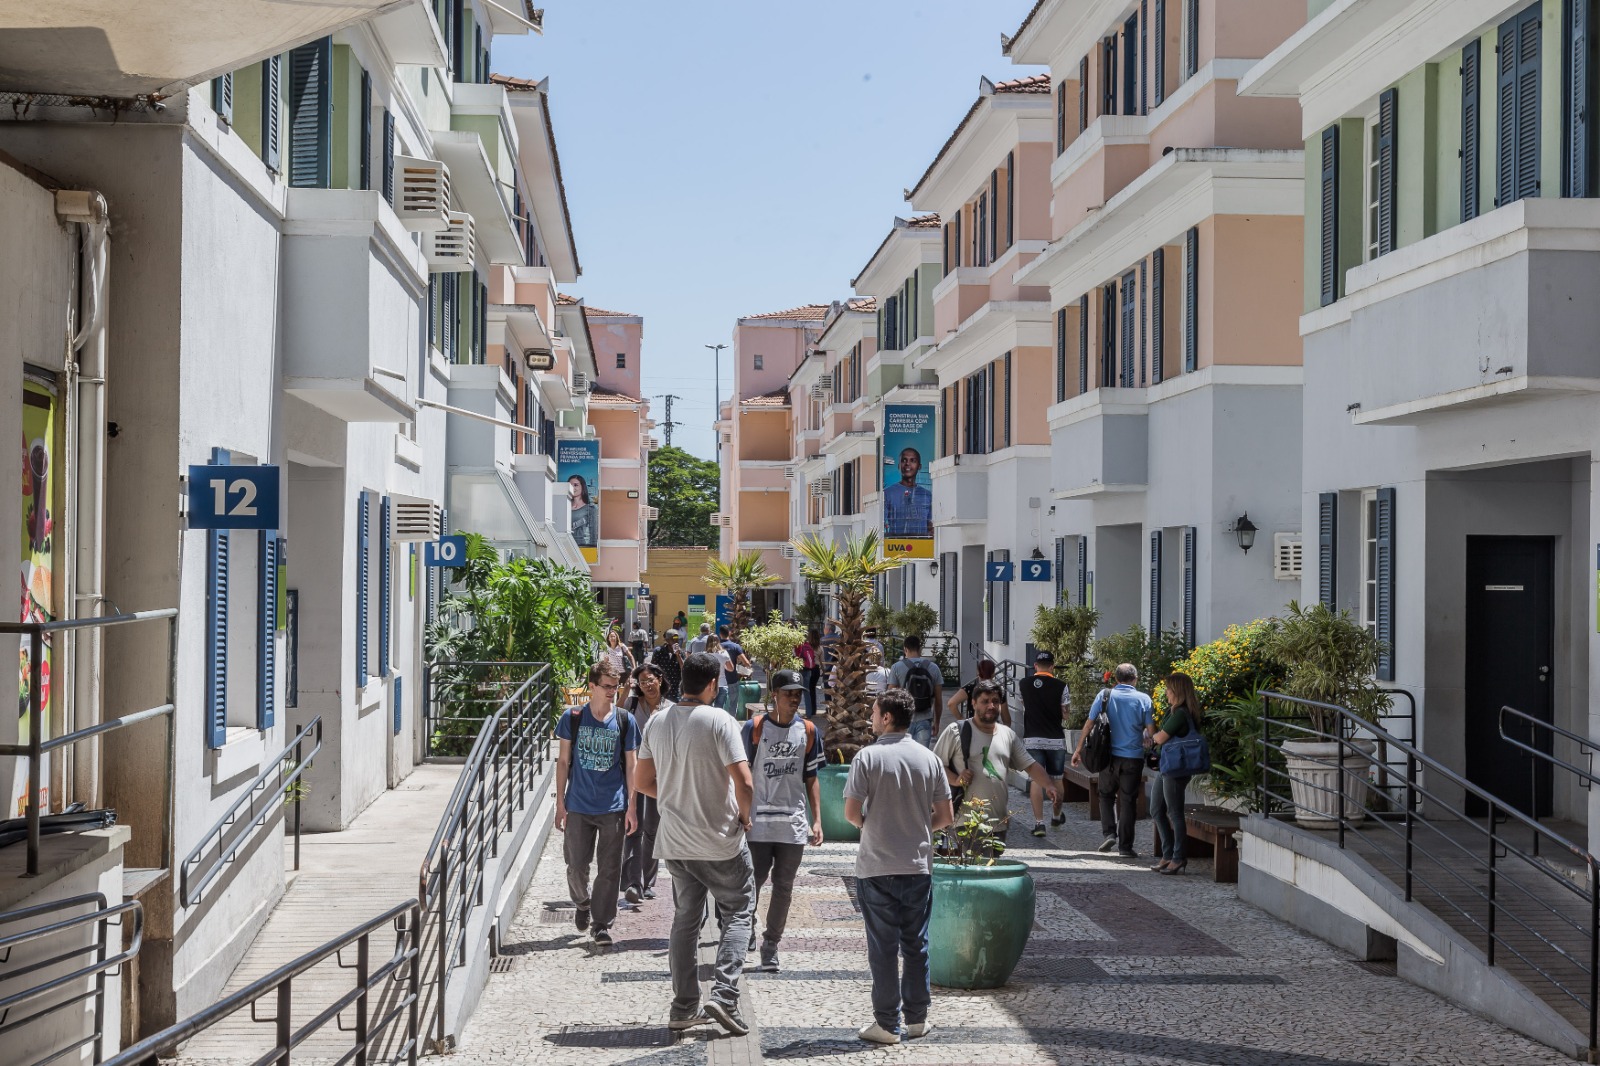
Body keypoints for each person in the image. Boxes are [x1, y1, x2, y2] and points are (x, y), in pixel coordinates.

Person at [635, 652, 756, 1036]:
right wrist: (744, 817)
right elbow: (745, 782)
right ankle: (723, 995)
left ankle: (684, 1006)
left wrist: (673, 797)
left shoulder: (656, 722)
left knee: (686, 920)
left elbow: (641, 782)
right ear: (712, 685)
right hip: (719, 842)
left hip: (676, 843)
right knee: (739, 911)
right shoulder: (720, 719)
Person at [844, 687, 954, 1045]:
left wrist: (872, 825)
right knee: (915, 945)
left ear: (887, 716)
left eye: (874, 712)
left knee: (883, 948)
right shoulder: (929, 758)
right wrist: (917, 828)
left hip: (876, 866)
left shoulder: (867, 758)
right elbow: (945, 816)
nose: (872, 717)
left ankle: (887, 1024)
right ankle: (918, 1019)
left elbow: (850, 813)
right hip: (917, 864)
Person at [741, 669, 824, 971]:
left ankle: (770, 945)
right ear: (773, 695)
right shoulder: (755, 728)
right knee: (753, 882)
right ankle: (744, 926)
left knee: (784, 886)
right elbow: (740, 774)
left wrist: (817, 820)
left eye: (798, 693)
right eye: (788, 692)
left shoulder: (809, 731)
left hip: (793, 824)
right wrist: (741, 813)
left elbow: (811, 777)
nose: (794, 698)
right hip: (758, 823)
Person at [554, 659, 640, 947]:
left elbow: (631, 766)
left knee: (609, 869)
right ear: (591, 686)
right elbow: (563, 762)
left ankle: (601, 924)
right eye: (606, 686)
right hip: (578, 804)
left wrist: (632, 807)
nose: (612, 692)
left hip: (613, 806)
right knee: (576, 866)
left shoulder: (626, 721)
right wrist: (560, 804)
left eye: (616, 687)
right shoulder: (573, 717)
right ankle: (582, 902)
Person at [934, 679, 1057, 842]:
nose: (991, 706)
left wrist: (1048, 785)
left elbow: (1030, 765)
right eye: (985, 701)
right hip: (966, 821)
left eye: (995, 702)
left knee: (992, 865)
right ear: (973, 703)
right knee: (977, 865)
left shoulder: (1007, 735)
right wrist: (956, 780)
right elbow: (935, 766)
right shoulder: (957, 730)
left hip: (999, 823)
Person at [1071, 662, 1154, 858]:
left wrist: (1078, 749)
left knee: (1105, 795)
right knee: (1128, 801)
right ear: (1135, 679)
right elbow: (1151, 732)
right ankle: (1125, 847)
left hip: (1107, 757)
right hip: (1133, 758)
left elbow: (1089, 723)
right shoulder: (1144, 699)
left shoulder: (1105, 695)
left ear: (1116, 679)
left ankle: (1109, 833)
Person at [623, 662, 671, 901]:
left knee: (652, 829)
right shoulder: (632, 705)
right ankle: (633, 882)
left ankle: (648, 881)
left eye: (651, 679)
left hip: (660, 776)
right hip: (633, 773)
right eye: (643, 682)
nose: (648, 685)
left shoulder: (672, 709)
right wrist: (625, 687)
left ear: (660, 679)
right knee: (633, 827)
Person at [1150, 671, 1202, 875]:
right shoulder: (1174, 712)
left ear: (1177, 691)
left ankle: (1178, 857)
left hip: (1176, 769)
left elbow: (1161, 738)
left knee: (1174, 813)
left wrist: (1152, 736)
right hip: (1167, 767)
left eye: (1169, 689)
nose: (1166, 693)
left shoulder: (1181, 713)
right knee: (1156, 809)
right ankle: (1168, 854)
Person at [1019, 651, 1071, 838]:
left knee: (1036, 780)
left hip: (1033, 737)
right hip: (1056, 739)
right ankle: (1056, 816)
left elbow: (1025, 705)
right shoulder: (1061, 686)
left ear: (1035, 666)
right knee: (1056, 779)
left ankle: (1039, 823)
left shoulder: (1024, 684)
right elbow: (1065, 714)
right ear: (1052, 667)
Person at [889, 635, 944, 748]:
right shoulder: (933, 668)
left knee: (903, 758)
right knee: (921, 758)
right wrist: (936, 722)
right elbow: (939, 700)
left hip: (903, 720)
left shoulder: (896, 667)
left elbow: (890, 696)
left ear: (905, 649)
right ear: (920, 649)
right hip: (925, 718)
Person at [883, 446, 933, 537]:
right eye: (904, 460)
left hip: (922, 547)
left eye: (912, 460)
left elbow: (931, 525)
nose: (907, 464)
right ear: (899, 466)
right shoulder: (887, 493)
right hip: (896, 547)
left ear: (919, 466)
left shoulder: (927, 495)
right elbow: (881, 525)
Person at [945, 658, 1011, 727]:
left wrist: (962, 720)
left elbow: (951, 703)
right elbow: (1006, 719)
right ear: (993, 674)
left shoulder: (970, 689)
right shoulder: (999, 692)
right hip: (992, 728)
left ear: (978, 673)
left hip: (974, 727)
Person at [650, 630, 685, 700]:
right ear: (667, 640)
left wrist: (678, 655)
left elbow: (684, 668)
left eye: (677, 638)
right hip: (663, 685)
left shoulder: (680, 652)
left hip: (675, 686)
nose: (676, 641)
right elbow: (652, 667)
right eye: (673, 638)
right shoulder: (659, 651)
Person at [568, 474, 598, 548]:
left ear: (582, 487)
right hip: (564, 546)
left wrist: (592, 550)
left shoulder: (590, 509)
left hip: (582, 547)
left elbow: (594, 533)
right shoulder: (563, 507)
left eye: (576, 485)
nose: (573, 488)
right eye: (570, 485)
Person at [706, 635, 734, 711]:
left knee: (708, 709)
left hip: (709, 686)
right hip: (722, 684)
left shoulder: (705, 655)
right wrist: (723, 665)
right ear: (718, 642)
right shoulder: (724, 653)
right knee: (719, 710)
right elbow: (731, 668)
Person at [796, 628, 821, 714]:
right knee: (812, 690)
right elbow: (822, 660)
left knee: (807, 690)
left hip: (807, 668)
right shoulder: (820, 647)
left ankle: (809, 711)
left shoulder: (806, 646)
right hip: (816, 669)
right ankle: (813, 710)